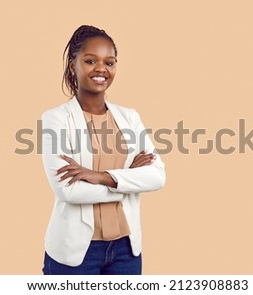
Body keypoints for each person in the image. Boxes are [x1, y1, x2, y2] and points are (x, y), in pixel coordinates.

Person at [40, 25, 166, 275]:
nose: (101, 69)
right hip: (76, 253)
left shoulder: (129, 117)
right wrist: (127, 182)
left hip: (126, 251)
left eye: (110, 62)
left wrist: (100, 176)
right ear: (72, 65)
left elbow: (157, 175)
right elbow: (69, 190)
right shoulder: (56, 119)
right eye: (90, 61)